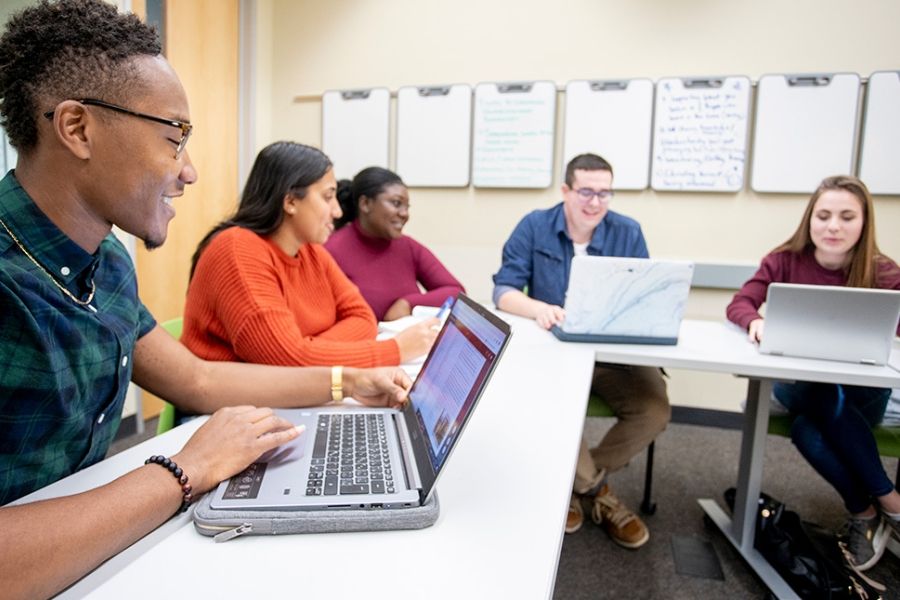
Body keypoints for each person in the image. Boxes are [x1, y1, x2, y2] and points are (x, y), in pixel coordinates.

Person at [0, 2, 410, 597]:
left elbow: (197, 381)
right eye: (173, 140)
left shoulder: (107, 261)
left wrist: (346, 383)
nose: (189, 172)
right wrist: (185, 470)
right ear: (77, 128)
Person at [492, 153, 669, 549]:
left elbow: (642, 295)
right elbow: (503, 291)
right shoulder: (534, 226)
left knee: (654, 410)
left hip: (612, 353)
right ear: (566, 191)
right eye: (586, 192)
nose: (595, 203)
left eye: (604, 193)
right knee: (557, 411)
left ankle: (575, 484)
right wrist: (540, 309)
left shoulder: (628, 232)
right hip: (555, 353)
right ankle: (601, 494)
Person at [726, 174, 900, 572]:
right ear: (809, 219)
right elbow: (740, 302)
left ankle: (865, 513)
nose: (833, 226)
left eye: (846, 216)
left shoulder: (885, 273)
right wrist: (754, 321)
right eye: (823, 215)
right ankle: (889, 501)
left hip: (862, 396)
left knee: (808, 426)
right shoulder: (785, 259)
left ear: (864, 222)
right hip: (800, 388)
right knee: (821, 393)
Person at [182, 144, 438, 368]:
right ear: (291, 201)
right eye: (327, 197)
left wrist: (306, 350)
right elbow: (285, 362)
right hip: (226, 408)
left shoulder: (311, 251)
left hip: (287, 392)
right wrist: (396, 350)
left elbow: (363, 319)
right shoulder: (237, 249)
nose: (337, 212)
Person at [324, 166, 465, 321]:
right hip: (363, 343)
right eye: (396, 203)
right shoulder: (330, 251)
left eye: (406, 206)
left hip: (411, 342)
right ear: (365, 204)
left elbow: (457, 292)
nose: (405, 214)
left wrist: (408, 304)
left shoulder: (408, 247)